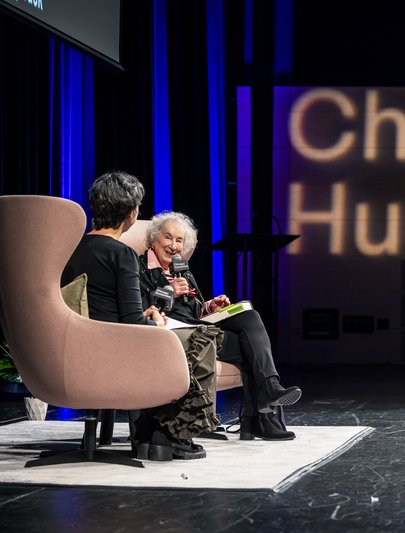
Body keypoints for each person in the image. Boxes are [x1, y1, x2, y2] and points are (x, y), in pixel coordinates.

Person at [61, 170, 216, 461]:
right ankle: (170, 435)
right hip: (115, 350)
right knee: (200, 338)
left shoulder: (71, 248)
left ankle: (150, 435)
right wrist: (154, 320)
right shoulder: (122, 254)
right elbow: (134, 322)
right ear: (131, 213)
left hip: (75, 350)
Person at [137, 211, 301, 440]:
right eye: (167, 237)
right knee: (250, 348)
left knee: (250, 317)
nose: (173, 246)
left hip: (200, 327)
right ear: (154, 239)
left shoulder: (182, 269)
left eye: (179, 240)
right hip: (175, 335)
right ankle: (260, 418)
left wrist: (210, 307)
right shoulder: (139, 267)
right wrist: (168, 292)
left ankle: (270, 390)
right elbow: (136, 307)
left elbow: (192, 310)